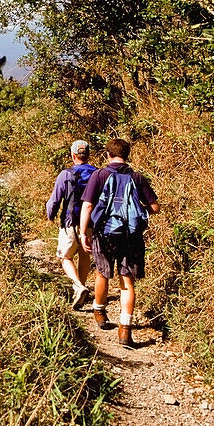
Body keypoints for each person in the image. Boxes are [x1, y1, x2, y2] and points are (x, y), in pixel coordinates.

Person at [79, 137, 160, 348]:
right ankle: (125, 331)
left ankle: (100, 312)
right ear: (127, 155)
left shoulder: (99, 175)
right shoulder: (137, 177)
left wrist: (83, 233)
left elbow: (87, 206)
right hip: (131, 236)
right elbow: (155, 207)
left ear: (107, 154)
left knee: (102, 273)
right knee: (127, 282)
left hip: (104, 233)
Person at [46, 139, 97, 310]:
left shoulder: (66, 174)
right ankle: (81, 290)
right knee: (84, 255)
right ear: (88, 155)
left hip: (70, 222)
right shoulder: (97, 174)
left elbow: (55, 200)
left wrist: (50, 215)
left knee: (65, 257)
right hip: (90, 222)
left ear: (73, 155)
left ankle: (78, 286)